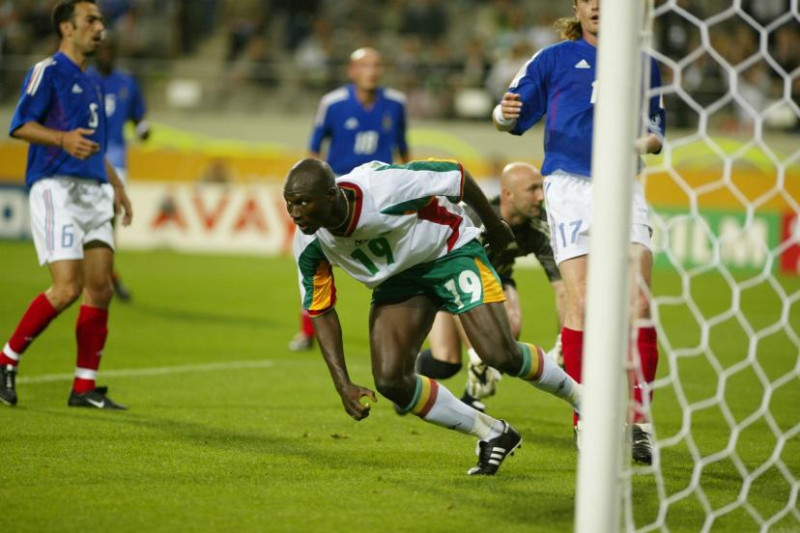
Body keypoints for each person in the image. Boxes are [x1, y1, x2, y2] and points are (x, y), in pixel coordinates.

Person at [284, 157, 581, 476]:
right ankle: (493, 433)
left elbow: (458, 176)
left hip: (449, 252)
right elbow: (321, 310)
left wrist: (494, 227)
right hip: (398, 281)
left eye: (303, 202)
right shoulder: (308, 242)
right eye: (290, 204)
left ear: (331, 195)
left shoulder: (384, 189)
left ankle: (584, 400)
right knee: (391, 380)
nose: (296, 213)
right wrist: (342, 384)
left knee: (499, 354)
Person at [492, 0, 666, 464]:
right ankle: (586, 419)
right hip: (569, 188)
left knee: (640, 302)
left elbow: (656, 131)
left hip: (623, 183)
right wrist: (504, 112)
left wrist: (632, 143)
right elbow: (509, 115)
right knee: (584, 302)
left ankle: (640, 424)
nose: (597, 6)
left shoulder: (644, 63)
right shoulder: (552, 59)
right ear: (578, 6)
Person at [0, 0, 133, 410]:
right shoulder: (47, 72)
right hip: (56, 187)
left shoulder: (93, 82)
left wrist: (118, 188)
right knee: (67, 288)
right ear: (67, 28)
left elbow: (94, 145)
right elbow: (19, 125)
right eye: (91, 20)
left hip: (95, 189)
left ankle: (83, 386)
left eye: (101, 21)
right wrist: (61, 139)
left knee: (101, 288)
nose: (100, 28)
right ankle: (6, 359)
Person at [416, 162, 566, 412]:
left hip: (496, 278)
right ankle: (409, 370)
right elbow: (455, 276)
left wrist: (565, 341)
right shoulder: (473, 219)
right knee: (446, 363)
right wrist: (476, 352)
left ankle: (472, 394)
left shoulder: (540, 228)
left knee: (509, 331)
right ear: (508, 194)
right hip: (444, 281)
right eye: (532, 189)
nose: (541, 196)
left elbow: (563, 289)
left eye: (541, 188)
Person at [289, 47, 411, 352]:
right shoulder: (332, 104)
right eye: (365, 65)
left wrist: (408, 188)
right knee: (311, 262)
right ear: (352, 71)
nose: (372, 70)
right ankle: (308, 330)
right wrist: (309, 196)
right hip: (335, 199)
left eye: (377, 64)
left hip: (380, 196)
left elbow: (403, 149)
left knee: (401, 262)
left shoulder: (396, 103)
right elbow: (314, 149)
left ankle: (408, 332)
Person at [88, 35, 150, 302]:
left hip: (116, 158)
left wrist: (143, 129)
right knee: (93, 222)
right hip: (85, 157)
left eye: (110, 50)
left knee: (106, 219)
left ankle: (105, 277)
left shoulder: (126, 82)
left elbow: (139, 118)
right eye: (101, 50)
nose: (105, 55)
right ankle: (106, 278)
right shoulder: (84, 80)